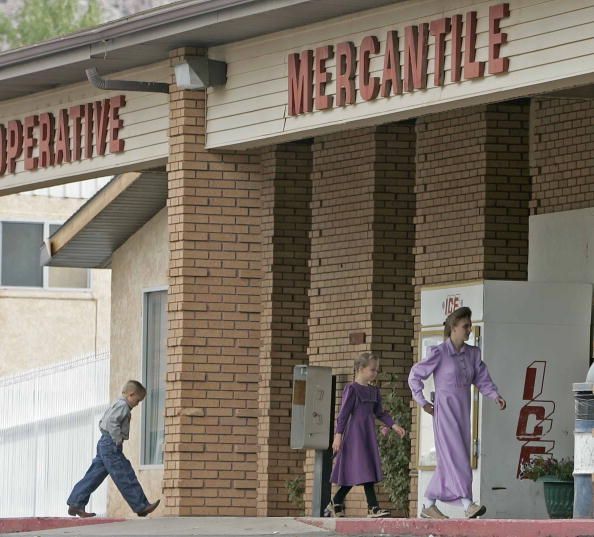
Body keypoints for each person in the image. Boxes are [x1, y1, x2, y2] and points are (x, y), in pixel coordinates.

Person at [408, 307, 506, 520]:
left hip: (463, 414)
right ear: (453, 328)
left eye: (470, 326)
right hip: (444, 414)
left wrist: (494, 395)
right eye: (465, 326)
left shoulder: (473, 354)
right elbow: (415, 375)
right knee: (459, 458)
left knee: (450, 460)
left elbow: (482, 377)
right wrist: (422, 401)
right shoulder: (439, 352)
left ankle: (428, 504)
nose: (469, 330)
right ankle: (467, 504)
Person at [326, 352, 406, 518]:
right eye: (372, 370)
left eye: (376, 370)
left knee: (359, 469)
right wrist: (338, 435)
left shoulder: (374, 391)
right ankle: (373, 507)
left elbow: (380, 413)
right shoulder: (352, 389)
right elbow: (343, 414)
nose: (375, 373)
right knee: (365, 469)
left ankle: (336, 501)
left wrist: (394, 425)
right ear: (361, 369)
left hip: (367, 434)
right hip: (354, 435)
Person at [67, 380, 161, 518]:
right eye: (138, 400)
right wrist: (117, 440)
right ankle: (141, 506)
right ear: (131, 394)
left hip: (105, 443)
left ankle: (76, 503)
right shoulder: (123, 406)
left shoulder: (116, 404)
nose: (137, 404)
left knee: (94, 475)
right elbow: (112, 422)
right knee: (125, 474)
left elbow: (103, 422)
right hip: (111, 444)